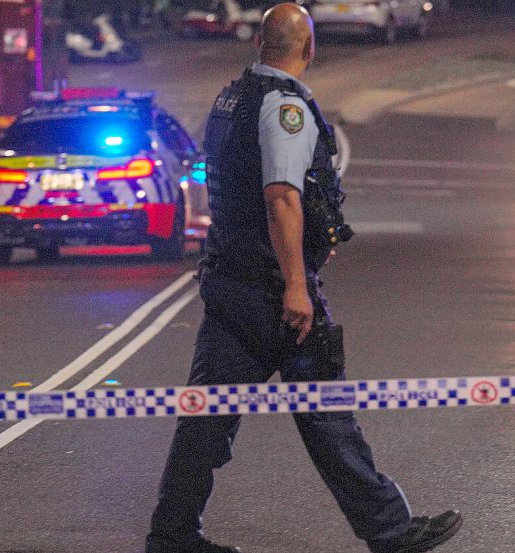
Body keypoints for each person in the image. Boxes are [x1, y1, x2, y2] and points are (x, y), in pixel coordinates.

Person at [144, 4, 462, 553]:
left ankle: (172, 534)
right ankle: (390, 531)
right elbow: (282, 198)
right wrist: (296, 284)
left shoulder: (232, 98)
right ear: (308, 49)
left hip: (230, 277)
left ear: (259, 44)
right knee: (324, 414)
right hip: (271, 289)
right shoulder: (284, 106)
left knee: (208, 419)